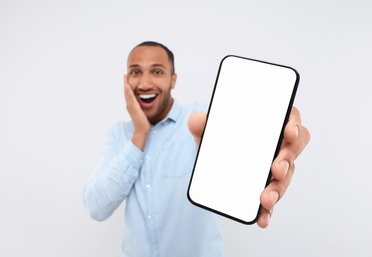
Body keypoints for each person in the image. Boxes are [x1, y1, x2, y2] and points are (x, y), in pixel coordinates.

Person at [83, 41, 310, 257]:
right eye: (135, 72)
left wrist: (271, 140)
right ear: (126, 79)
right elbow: (96, 207)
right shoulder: (119, 134)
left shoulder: (201, 121)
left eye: (157, 72)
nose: (144, 83)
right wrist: (140, 134)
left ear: (173, 79)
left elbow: (239, 152)